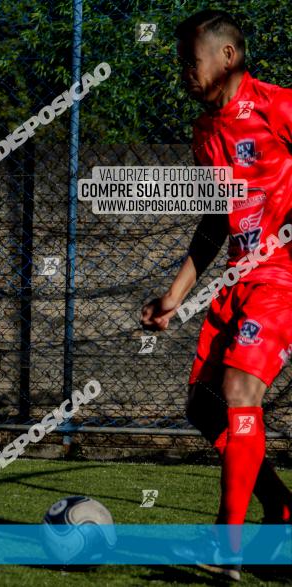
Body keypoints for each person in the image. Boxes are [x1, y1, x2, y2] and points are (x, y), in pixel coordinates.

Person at [141, 8, 292, 580]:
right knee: (204, 408)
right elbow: (215, 220)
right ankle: (278, 507)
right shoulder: (206, 132)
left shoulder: (279, 104)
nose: (184, 71)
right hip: (236, 280)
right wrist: (177, 293)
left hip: (283, 279)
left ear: (227, 57)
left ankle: (227, 545)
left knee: (239, 390)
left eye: (191, 59)